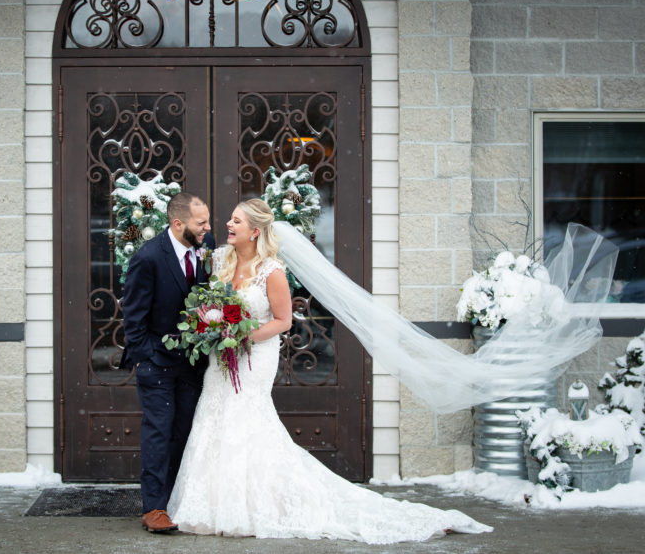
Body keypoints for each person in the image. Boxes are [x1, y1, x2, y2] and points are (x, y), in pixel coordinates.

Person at [167, 198, 493, 543]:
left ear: (255, 231)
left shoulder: (272, 271)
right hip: (221, 360)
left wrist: (242, 336)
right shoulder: (220, 260)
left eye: (236, 221)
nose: (228, 226)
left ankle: (254, 506)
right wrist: (210, 326)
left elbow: (283, 321)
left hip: (254, 356)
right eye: (229, 220)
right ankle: (212, 505)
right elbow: (209, 304)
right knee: (215, 417)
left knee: (245, 420)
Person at [120, 191, 215, 533]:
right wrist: (152, 355)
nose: (207, 227)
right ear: (178, 224)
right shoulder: (148, 258)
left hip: (193, 364)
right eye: (200, 222)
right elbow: (133, 322)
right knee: (159, 431)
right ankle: (154, 508)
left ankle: (177, 499)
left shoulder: (207, 246)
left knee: (184, 432)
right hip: (156, 363)